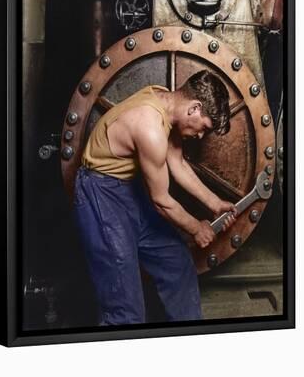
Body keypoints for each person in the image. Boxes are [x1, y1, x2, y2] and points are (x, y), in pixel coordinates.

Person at [73, 69, 237, 325]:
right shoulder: (149, 128)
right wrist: (197, 228)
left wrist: (215, 203)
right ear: (194, 108)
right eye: (204, 128)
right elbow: (162, 201)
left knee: (178, 264)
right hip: (100, 194)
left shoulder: (164, 99)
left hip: (129, 190)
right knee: (126, 310)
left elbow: (177, 162)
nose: (201, 136)